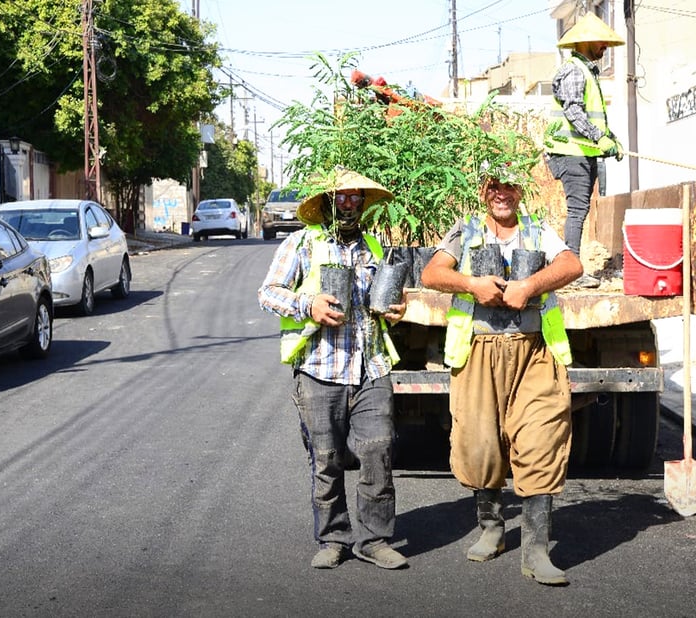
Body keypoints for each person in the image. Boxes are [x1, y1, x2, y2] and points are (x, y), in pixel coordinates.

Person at [420, 163, 583, 585]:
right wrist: (472, 284)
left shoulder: (537, 229)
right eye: (494, 186)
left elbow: (571, 266)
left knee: (542, 440)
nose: (502, 194)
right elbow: (431, 273)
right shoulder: (467, 230)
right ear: (483, 191)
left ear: (519, 191)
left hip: (534, 354)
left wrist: (530, 287)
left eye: (509, 186)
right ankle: (492, 529)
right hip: (477, 354)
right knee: (479, 444)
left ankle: (537, 551)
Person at [257, 167, 409, 570]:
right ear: (327, 202)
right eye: (341, 197)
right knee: (326, 458)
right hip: (319, 369)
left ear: (363, 204)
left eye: (356, 197)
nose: (349, 203)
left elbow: (388, 304)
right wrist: (310, 306)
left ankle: (375, 539)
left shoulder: (375, 249)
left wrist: (397, 310)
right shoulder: (302, 244)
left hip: (370, 365)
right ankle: (333, 537)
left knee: (378, 451)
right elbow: (267, 293)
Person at [544, 12, 626, 288]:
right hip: (571, 152)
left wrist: (609, 138)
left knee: (580, 210)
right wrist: (597, 137)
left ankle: (571, 269)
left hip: (581, 151)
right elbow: (574, 112)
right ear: (585, 43)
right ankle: (570, 273)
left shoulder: (586, 71)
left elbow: (589, 116)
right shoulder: (574, 70)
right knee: (577, 211)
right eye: (600, 42)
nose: (604, 47)